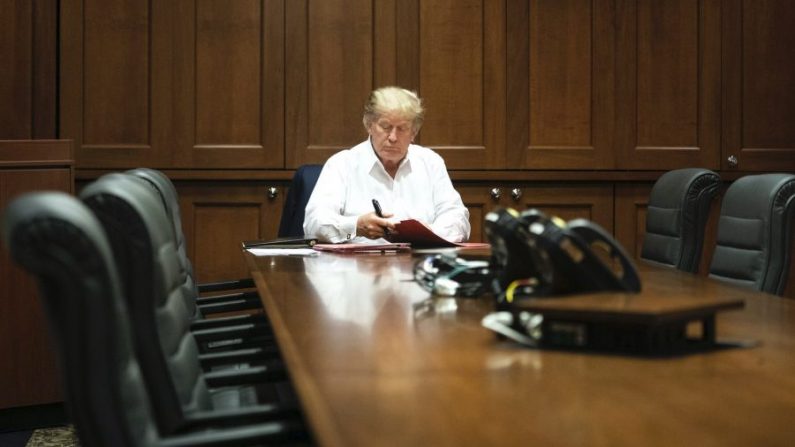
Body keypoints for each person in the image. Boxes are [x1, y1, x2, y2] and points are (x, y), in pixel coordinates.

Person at [303, 86, 470, 244]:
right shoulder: (342, 165)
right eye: (385, 126)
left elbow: (458, 218)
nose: (393, 137)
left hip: (417, 265)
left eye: (402, 128)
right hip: (357, 269)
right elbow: (313, 225)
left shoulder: (430, 163)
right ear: (369, 125)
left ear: (414, 132)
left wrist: (431, 232)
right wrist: (355, 227)